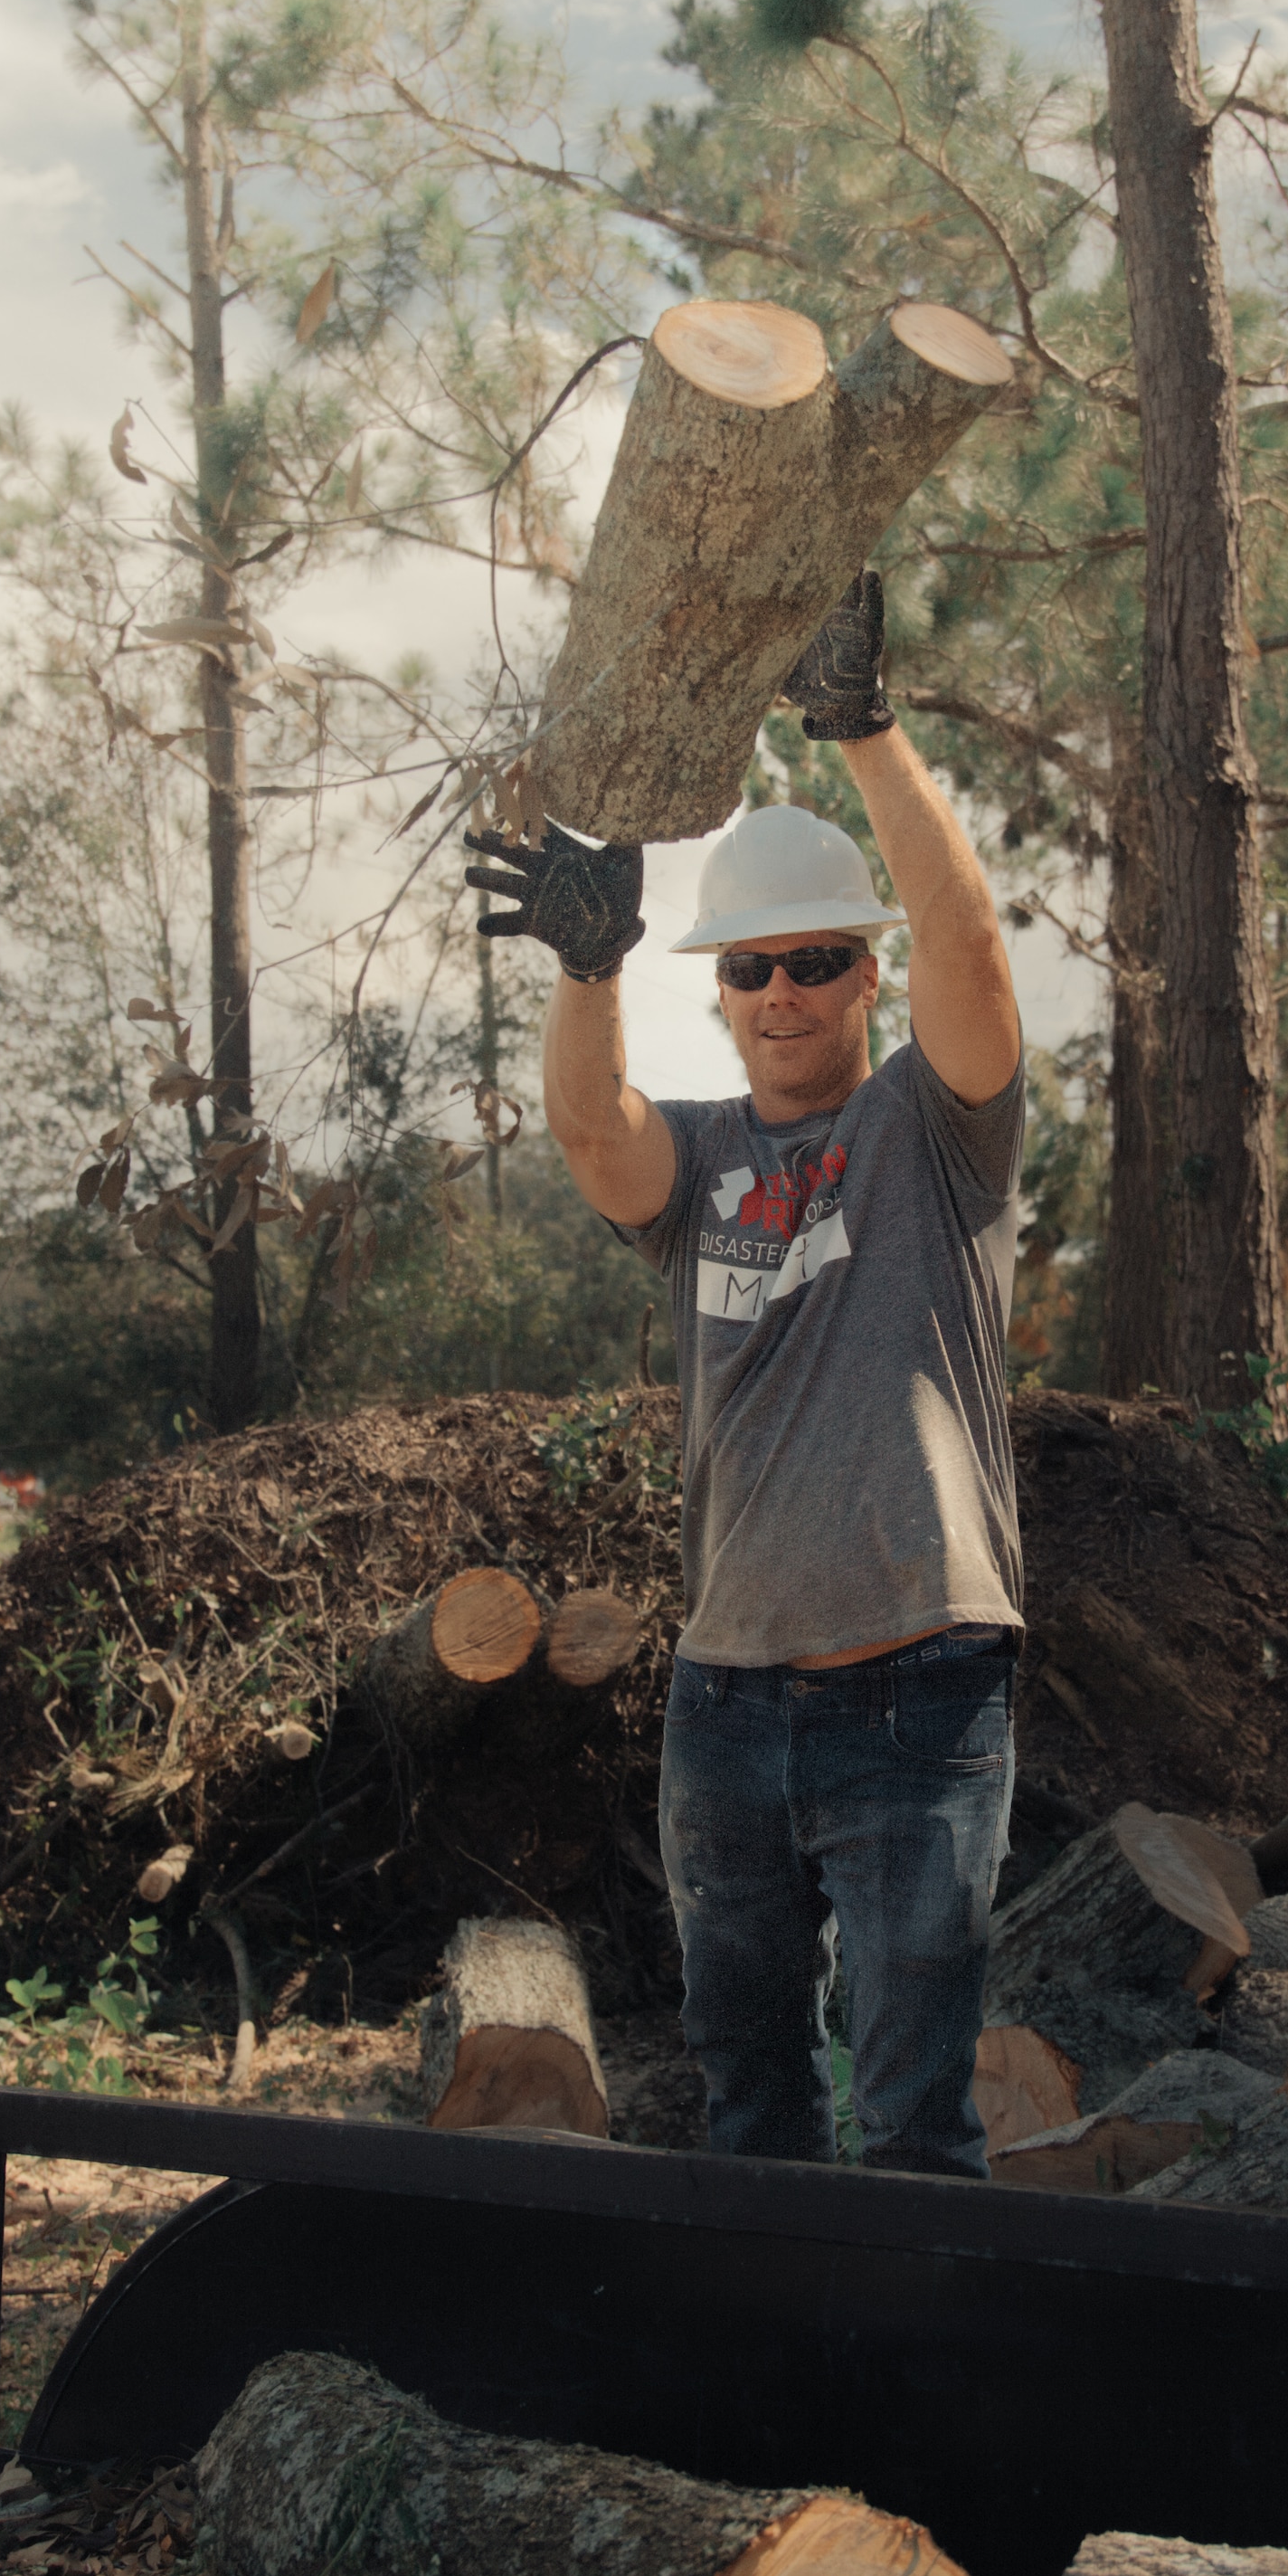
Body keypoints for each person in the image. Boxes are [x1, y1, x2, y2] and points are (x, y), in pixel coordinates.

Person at [467, 572, 1028, 2177]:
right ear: (714, 992)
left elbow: (973, 948)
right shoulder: (701, 1160)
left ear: (864, 974)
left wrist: (864, 731)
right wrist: (589, 972)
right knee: (750, 2104)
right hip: (727, 1699)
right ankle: (774, 2413)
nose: (781, 992)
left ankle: (903, 2418)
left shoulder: (935, 1132)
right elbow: (590, 1134)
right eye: (749, 970)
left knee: (916, 2114)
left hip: (921, 1687)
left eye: (813, 962)